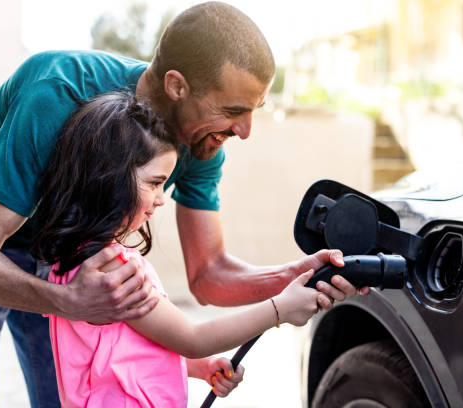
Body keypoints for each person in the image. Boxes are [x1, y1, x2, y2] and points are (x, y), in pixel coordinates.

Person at [0, 2, 368, 407]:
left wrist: (294, 278)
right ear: (176, 85)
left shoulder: (200, 140)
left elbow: (208, 275)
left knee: (72, 392)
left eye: (254, 111)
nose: (244, 130)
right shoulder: (57, 92)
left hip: (64, 250)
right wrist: (69, 300)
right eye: (233, 110)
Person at [33, 90, 321, 407]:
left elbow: (125, 353)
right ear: (110, 177)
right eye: (155, 182)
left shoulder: (79, 260)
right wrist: (280, 309)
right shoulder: (114, 272)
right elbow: (192, 338)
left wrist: (198, 367)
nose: (161, 197)